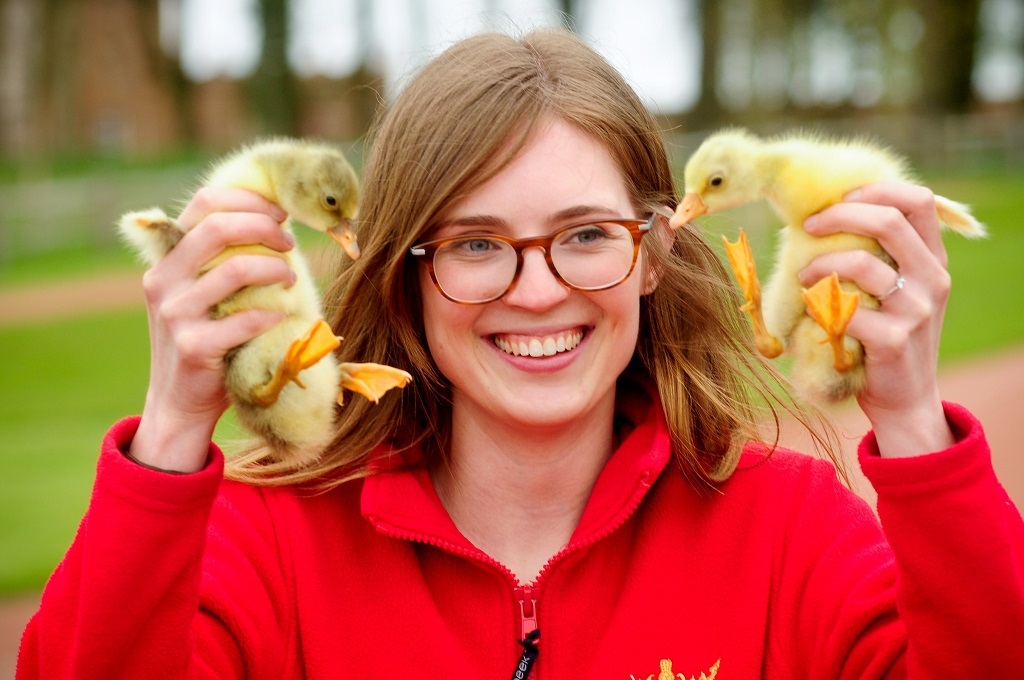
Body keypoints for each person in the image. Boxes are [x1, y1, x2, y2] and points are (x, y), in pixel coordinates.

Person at [17, 28, 1024, 679]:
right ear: (405, 270)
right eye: (476, 243)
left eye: (586, 233)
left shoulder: (792, 532)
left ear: (650, 255)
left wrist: (914, 424)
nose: (537, 289)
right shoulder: (266, 541)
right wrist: (171, 434)